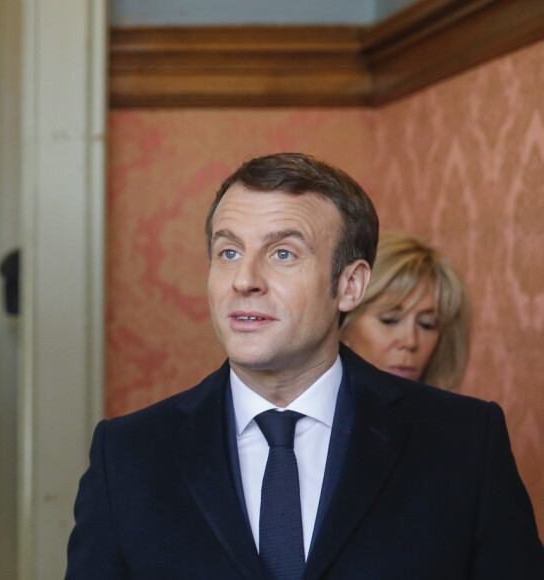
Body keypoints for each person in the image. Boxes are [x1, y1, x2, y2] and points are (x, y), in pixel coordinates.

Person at [65, 153, 544, 579]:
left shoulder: (463, 440)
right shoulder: (127, 455)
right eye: (228, 252)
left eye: (282, 253)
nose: (245, 280)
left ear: (350, 286)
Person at [340, 232, 471, 392]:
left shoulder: (462, 416)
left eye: (427, 325)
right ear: (344, 324)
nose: (410, 342)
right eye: (390, 320)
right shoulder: (309, 411)